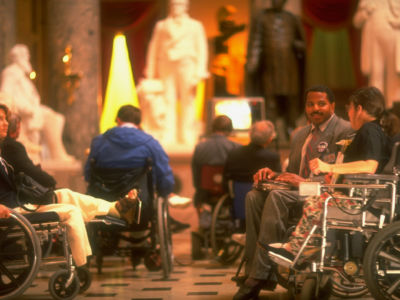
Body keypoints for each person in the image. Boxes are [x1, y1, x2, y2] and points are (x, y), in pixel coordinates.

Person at [233, 85, 354, 300]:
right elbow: (292, 173)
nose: (315, 108)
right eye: (310, 104)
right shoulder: (300, 135)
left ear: (332, 106)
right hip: (298, 189)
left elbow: (341, 175)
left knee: (278, 196)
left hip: (324, 190)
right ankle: (252, 268)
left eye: (321, 104)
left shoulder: (344, 130)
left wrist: (305, 181)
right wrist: (274, 174)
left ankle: (259, 276)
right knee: (253, 196)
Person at [0, 103, 139, 270]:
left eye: (5, 119)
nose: (6, 123)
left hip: (20, 203)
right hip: (13, 209)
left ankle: (115, 209)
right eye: (1, 119)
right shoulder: (11, 147)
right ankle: (81, 265)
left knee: (66, 195)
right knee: (71, 210)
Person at [268, 86, 391, 264]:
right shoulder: (373, 130)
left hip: (365, 202)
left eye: (349, 108)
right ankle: (302, 248)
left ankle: (296, 249)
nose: (348, 114)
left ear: (359, 109)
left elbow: (370, 166)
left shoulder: (369, 130)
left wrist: (330, 167)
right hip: (360, 196)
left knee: (316, 201)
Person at [85, 104, 190, 231]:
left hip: (102, 203)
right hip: (138, 207)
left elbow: (88, 173)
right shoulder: (149, 142)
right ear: (139, 123)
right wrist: (165, 192)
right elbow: (163, 174)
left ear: (118, 120)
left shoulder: (99, 141)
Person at [144, 0, 208, 146]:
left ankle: (187, 134)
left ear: (186, 6)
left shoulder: (195, 25)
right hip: (166, 65)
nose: (176, 7)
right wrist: (150, 70)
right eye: (173, 5)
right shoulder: (162, 25)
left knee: (188, 101)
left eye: (179, 4)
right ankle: (169, 134)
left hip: (187, 64)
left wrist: (200, 71)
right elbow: (154, 47)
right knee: (168, 101)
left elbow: (202, 48)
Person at [0, 44, 75, 163]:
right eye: (25, 55)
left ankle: (57, 152)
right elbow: (6, 94)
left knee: (57, 118)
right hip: (24, 112)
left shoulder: (22, 76)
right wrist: (26, 108)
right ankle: (57, 153)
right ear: (18, 56)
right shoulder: (11, 72)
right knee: (52, 119)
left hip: (32, 110)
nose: (28, 57)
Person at [246, 0, 306, 142]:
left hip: (289, 68)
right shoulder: (262, 18)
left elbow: (302, 44)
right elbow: (256, 42)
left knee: (290, 99)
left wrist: (298, 46)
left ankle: (290, 130)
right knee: (270, 100)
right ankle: (270, 133)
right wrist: (252, 63)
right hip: (270, 67)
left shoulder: (292, 18)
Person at [353, 0, 400, 109]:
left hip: (394, 41)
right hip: (374, 43)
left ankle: (392, 110)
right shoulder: (367, 1)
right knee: (376, 75)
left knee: (394, 79)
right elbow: (357, 22)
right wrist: (365, 13)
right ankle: (376, 110)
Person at [192, 115, 240, 217]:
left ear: (212, 129)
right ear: (230, 130)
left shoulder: (199, 147)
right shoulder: (237, 148)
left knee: (199, 193)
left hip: (205, 193)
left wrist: (199, 188)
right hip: (228, 192)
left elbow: (196, 175)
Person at [2, 113, 56, 188]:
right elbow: (29, 170)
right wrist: (51, 180)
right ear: (16, 128)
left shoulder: (8, 144)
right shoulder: (13, 146)